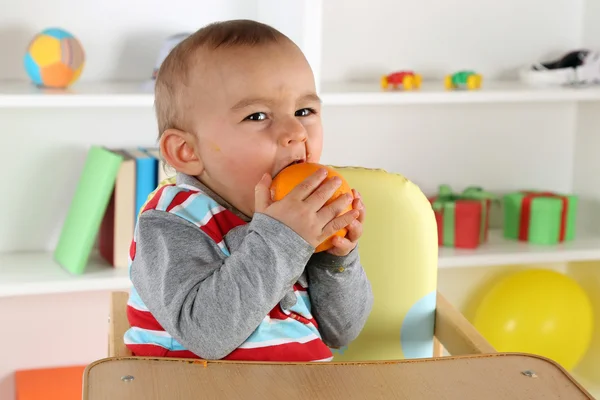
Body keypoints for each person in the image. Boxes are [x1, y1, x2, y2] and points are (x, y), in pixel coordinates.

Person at [124, 19, 374, 362]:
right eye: (257, 116)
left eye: (304, 111)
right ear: (187, 152)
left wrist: (336, 260)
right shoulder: (170, 221)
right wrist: (282, 239)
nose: (295, 131)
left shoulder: (297, 218)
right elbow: (206, 336)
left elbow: (341, 332)